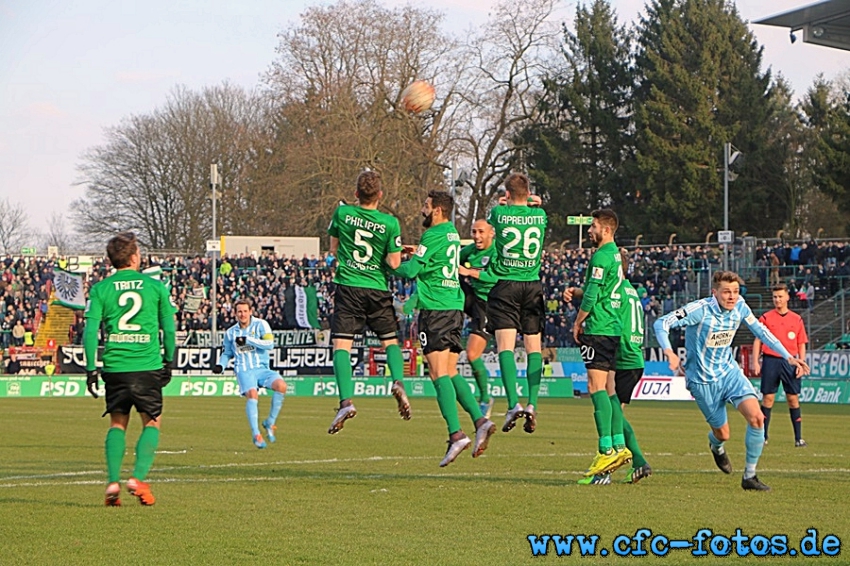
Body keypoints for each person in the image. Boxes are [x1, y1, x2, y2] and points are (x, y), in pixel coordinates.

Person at [653, 271, 810, 491]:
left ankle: (749, 476)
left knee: (757, 418)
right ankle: (716, 446)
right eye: (726, 292)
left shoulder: (740, 306)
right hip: (703, 381)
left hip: (729, 373)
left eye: (735, 291)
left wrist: (789, 356)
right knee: (723, 433)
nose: (732, 296)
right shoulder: (700, 310)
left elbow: (762, 332)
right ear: (714, 292)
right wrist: (669, 352)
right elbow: (661, 323)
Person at [393, 190, 495, 466]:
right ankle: (480, 421)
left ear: (437, 210)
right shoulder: (450, 232)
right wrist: (416, 253)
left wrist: (388, 262)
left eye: (425, 206)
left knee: (438, 374)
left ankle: (456, 434)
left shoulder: (432, 234)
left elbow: (412, 271)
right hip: (453, 307)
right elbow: (433, 259)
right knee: (450, 371)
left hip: (436, 308)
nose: (422, 210)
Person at [84, 232, 176, 507]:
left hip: (115, 366)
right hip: (147, 365)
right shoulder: (155, 287)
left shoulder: (101, 289)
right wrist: (169, 361)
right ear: (135, 256)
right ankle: (137, 477)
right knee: (152, 421)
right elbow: (169, 329)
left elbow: (90, 331)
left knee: (117, 423)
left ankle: (113, 481)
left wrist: (91, 369)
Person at [326, 170, 411, 434]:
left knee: (342, 344)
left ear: (356, 194)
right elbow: (394, 263)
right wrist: (394, 252)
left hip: (349, 287)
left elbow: (333, 250)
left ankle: (346, 402)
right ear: (380, 196)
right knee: (389, 342)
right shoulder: (390, 223)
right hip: (376, 288)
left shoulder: (342, 214)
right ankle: (398, 381)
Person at [469, 172, 547, 434]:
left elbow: (495, 216)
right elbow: (533, 204)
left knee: (506, 347)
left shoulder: (498, 215)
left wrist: (505, 203)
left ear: (507, 193)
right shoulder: (541, 216)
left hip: (506, 286)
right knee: (533, 347)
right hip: (533, 285)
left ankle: (513, 403)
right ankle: (533, 403)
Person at [569, 249, 651, 485]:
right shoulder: (629, 291)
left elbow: (607, 311)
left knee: (611, 406)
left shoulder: (616, 294)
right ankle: (635, 461)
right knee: (616, 410)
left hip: (623, 355)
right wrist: (577, 292)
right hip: (635, 356)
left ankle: (617, 464)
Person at [565, 209, 632, 479]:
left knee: (595, 387)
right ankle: (618, 444)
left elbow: (592, 294)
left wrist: (578, 321)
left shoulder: (601, 256)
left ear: (605, 230)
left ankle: (605, 450)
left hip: (599, 326)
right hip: (614, 327)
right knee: (609, 387)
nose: (589, 231)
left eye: (592, 227)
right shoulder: (616, 254)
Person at [213, 299, 288, 448]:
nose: (242, 314)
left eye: (245, 311)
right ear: (235, 313)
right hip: (244, 369)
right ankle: (256, 435)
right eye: (239, 311)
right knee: (253, 394)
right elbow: (227, 353)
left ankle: (269, 422)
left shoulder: (261, 325)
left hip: (262, 368)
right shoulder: (230, 333)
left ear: (250, 312)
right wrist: (220, 365)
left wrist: (250, 340)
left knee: (281, 386)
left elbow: (270, 344)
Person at [752, 284, 808, 447]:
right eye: (775, 297)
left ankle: (798, 438)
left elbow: (801, 342)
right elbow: (757, 340)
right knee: (768, 399)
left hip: (790, 361)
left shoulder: (796, 319)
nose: (778, 300)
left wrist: (801, 363)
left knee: (793, 399)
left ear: (787, 297)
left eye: (780, 296)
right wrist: (756, 361)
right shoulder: (766, 318)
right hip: (770, 361)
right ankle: (763, 436)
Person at [458, 219, 497, 418]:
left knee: (472, 354)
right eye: (474, 232)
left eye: (481, 231)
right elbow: (452, 258)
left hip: (490, 304)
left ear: (491, 233)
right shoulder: (471, 250)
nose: (476, 236)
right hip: (473, 301)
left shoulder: (497, 251)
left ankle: (485, 397)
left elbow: (498, 277)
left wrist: (469, 272)